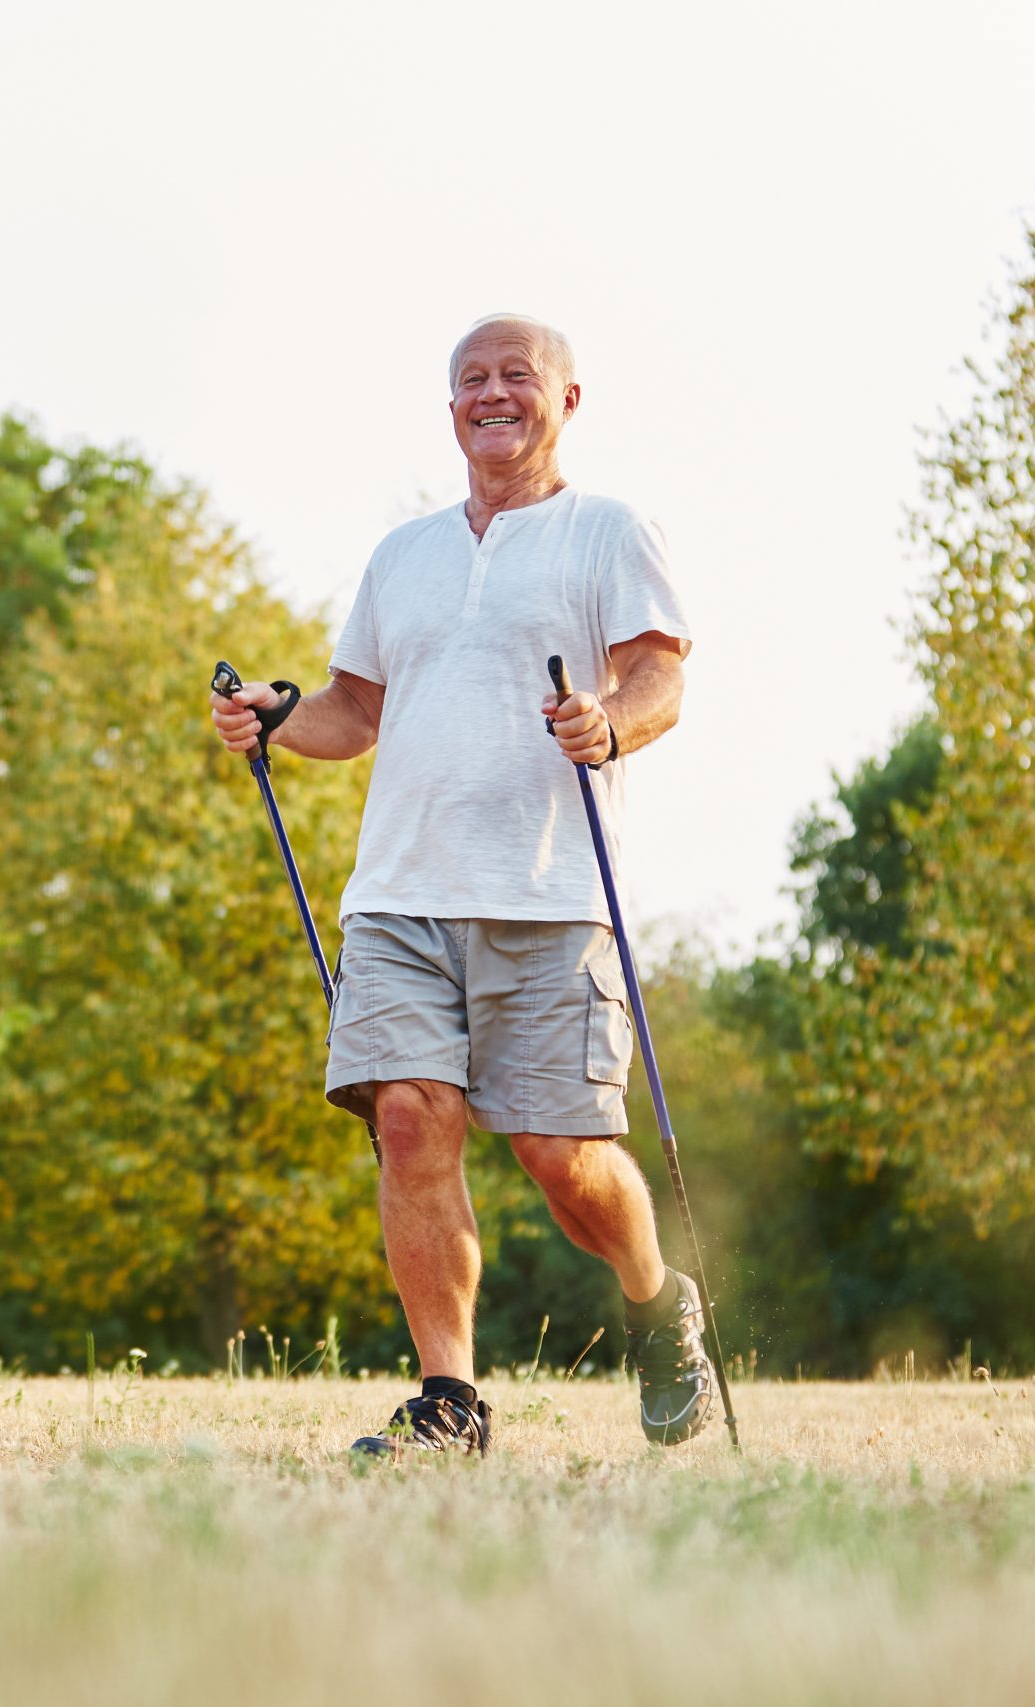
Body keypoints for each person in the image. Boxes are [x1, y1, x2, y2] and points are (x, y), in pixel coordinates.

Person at [209, 313, 715, 1456]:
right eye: (471, 380)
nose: (494, 393)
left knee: (559, 1156)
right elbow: (358, 712)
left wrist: (609, 722)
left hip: (552, 894)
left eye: (517, 376)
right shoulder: (405, 555)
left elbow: (658, 678)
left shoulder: (608, 532)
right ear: (451, 411)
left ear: (566, 401)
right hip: (398, 895)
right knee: (407, 1118)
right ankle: (449, 1401)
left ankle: (653, 1298)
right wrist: (277, 721)